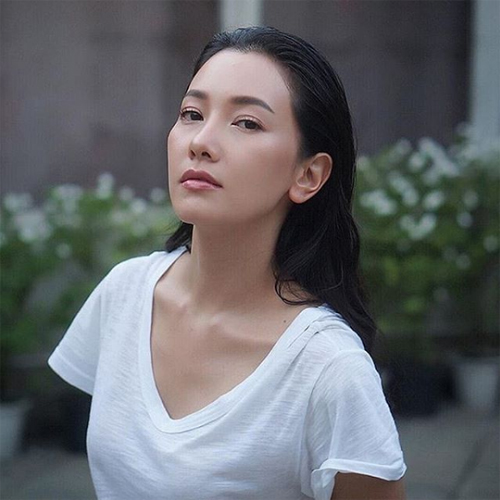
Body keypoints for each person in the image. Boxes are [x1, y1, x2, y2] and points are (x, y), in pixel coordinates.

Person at [48, 26, 407, 500]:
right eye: (192, 114)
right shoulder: (125, 293)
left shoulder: (329, 369)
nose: (201, 141)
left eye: (247, 123)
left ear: (309, 174)